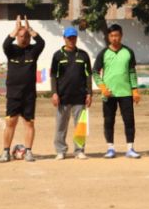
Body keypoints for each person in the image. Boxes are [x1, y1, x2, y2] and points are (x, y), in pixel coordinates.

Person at [0, 15, 45, 162]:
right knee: (10, 123)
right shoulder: (11, 50)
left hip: (29, 95)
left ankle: (29, 151)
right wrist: (15, 29)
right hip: (13, 94)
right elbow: (5, 44)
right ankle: (6, 151)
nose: (23, 38)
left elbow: (41, 42)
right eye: (20, 36)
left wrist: (30, 30)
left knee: (29, 123)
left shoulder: (33, 51)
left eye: (25, 36)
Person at [95, 23, 140, 159]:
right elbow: (95, 73)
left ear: (121, 36)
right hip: (109, 94)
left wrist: (135, 90)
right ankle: (110, 148)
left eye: (117, 35)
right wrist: (103, 88)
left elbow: (132, 72)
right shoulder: (103, 53)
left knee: (129, 121)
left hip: (125, 93)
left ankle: (130, 148)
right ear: (108, 37)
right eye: (112, 36)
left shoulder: (128, 52)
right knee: (109, 121)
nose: (115, 38)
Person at [49, 26, 92, 160]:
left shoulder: (83, 55)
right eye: (69, 38)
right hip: (63, 96)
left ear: (76, 38)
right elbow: (53, 76)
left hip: (80, 96)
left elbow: (88, 76)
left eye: (73, 37)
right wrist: (54, 93)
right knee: (61, 125)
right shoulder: (58, 55)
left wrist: (89, 93)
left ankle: (79, 150)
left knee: (80, 126)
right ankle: (61, 150)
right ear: (64, 38)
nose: (71, 40)